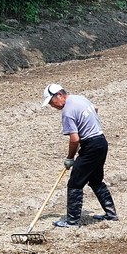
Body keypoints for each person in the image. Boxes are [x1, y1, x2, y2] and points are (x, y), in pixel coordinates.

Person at [42, 83, 118, 226]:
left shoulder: (67, 112)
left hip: (91, 146)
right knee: (95, 180)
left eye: (52, 102)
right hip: (101, 142)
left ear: (59, 95)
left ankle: (72, 221)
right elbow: (95, 108)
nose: (52, 106)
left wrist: (70, 158)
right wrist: (89, 125)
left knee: (75, 183)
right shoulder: (80, 98)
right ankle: (111, 214)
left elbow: (74, 139)